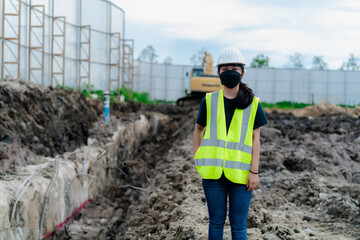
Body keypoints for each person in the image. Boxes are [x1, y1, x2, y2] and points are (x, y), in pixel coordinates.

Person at [193, 46, 268, 240]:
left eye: (234, 68)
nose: (230, 72)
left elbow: (255, 139)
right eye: (225, 69)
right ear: (218, 73)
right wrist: (197, 157)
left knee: (239, 226)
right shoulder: (209, 101)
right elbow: (198, 129)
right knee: (216, 223)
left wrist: (254, 172)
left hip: (242, 175)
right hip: (212, 173)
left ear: (242, 72)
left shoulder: (253, 104)